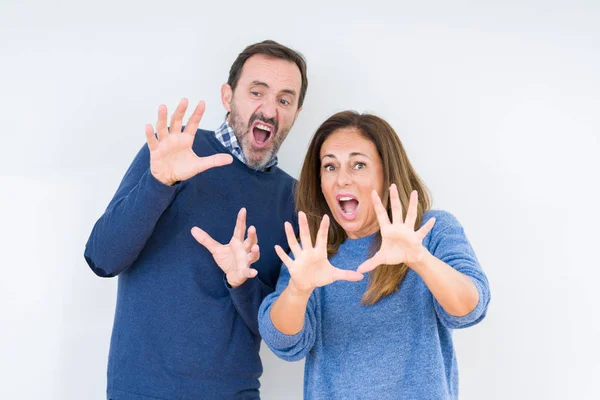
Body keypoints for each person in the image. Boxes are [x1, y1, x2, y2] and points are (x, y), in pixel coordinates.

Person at [84, 40, 307, 400]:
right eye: (256, 92)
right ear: (227, 96)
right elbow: (102, 259)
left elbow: (276, 330)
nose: (268, 110)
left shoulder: (294, 201)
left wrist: (242, 281)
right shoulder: (174, 152)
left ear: (296, 112)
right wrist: (159, 185)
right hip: (140, 391)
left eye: (284, 99)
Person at [258, 111, 491, 400]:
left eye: (358, 165)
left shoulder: (431, 231)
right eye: (330, 167)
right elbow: (283, 342)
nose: (342, 179)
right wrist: (298, 289)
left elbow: (470, 308)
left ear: (386, 173)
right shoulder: (313, 254)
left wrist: (420, 259)